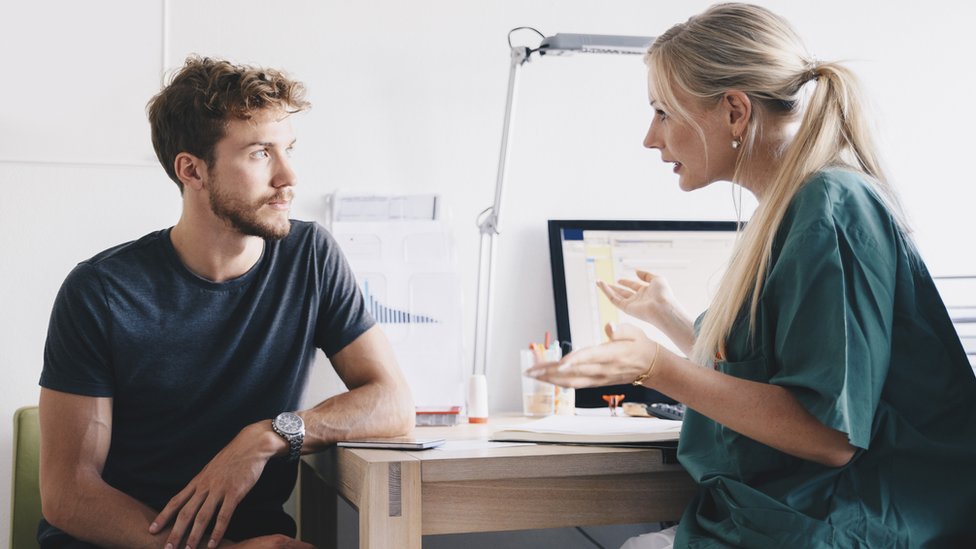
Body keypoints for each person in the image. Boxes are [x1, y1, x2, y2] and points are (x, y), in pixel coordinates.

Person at [526, 3, 976, 548]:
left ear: (735, 112)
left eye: (664, 112)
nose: (650, 138)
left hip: (851, 520)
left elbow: (828, 434)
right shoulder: (795, 208)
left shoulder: (829, 208)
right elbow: (779, 379)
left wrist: (654, 368)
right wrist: (669, 320)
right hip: (809, 511)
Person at [37, 55, 415, 548]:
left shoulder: (310, 256)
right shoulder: (101, 291)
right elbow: (69, 492)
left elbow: (393, 403)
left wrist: (269, 436)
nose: (288, 176)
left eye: (288, 149)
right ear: (192, 170)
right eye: (261, 153)